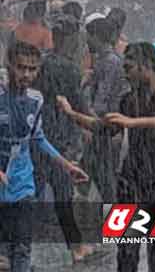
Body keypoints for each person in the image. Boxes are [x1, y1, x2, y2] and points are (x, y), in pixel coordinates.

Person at [59, 42, 155, 272]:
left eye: (128, 68)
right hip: (132, 181)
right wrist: (71, 114)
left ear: (146, 65)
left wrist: (133, 122)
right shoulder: (129, 99)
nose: (125, 74)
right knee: (126, 255)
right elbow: (103, 127)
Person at [0, 41, 89, 272]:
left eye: (32, 69)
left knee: (22, 245)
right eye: (21, 68)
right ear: (9, 65)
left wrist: (67, 166)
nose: (26, 74)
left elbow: (38, 138)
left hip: (23, 182)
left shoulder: (36, 99)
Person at [34, 16, 95, 263]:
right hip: (58, 138)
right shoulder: (68, 67)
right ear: (69, 39)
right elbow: (76, 100)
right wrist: (89, 124)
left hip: (36, 132)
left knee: (32, 189)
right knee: (62, 194)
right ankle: (76, 246)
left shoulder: (40, 61)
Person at [82, 17, 125, 203]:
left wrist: (90, 117)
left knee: (103, 170)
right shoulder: (104, 60)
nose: (86, 41)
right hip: (104, 122)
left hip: (105, 123)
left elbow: (104, 96)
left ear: (97, 36)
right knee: (96, 167)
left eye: (89, 37)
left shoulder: (110, 61)